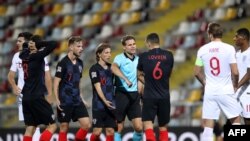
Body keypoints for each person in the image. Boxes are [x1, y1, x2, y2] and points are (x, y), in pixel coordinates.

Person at [194, 22, 242, 141]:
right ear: (221, 33)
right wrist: (235, 85)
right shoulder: (229, 49)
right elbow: (235, 72)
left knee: (209, 123)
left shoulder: (202, 50)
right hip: (226, 90)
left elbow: (196, 72)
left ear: (210, 34)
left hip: (210, 91)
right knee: (236, 120)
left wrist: (205, 83)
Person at [7, 32, 53, 141]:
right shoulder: (19, 56)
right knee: (38, 125)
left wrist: (50, 94)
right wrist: (14, 86)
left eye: (20, 41)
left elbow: (47, 76)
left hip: (28, 94)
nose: (17, 43)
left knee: (32, 126)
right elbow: (10, 75)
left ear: (27, 43)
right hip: (29, 94)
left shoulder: (22, 55)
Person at [19, 35, 57, 141]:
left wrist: (29, 44)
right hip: (36, 96)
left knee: (30, 128)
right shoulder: (38, 56)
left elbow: (25, 45)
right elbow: (54, 43)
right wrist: (39, 44)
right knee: (52, 126)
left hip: (25, 97)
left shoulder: (24, 55)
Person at [137, 33, 174, 141]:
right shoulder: (169, 55)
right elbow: (169, 74)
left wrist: (147, 81)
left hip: (149, 96)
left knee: (148, 125)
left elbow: (138, 74)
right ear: (158, 42)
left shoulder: (143, 56)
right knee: (163, 127)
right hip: (164, 96)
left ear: (149, 43)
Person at [53, 36, 91, 141]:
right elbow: (56, 82)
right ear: (70, 47)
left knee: (86, 125)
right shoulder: (63, 63)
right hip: (65, 99)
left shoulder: (80, 63)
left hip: (77, 100)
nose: (81, 48)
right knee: (64, 127)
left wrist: (82, 98)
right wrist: (57, 99)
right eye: (78, 46)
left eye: (82, 46)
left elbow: (78, 82)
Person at [111, 35, 143, 141]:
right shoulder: (119, 58)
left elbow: (140, 75)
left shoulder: (139, 59)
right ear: (124, 47)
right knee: (119, 127)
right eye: (130, 45)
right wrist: (125, 79)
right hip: (121, 94)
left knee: (139, 127)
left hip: (134, 96)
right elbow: (113, 67)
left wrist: (141, 84)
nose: (133, 46)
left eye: (134, 44)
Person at [89, 43, 116, 141]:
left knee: (111, 131)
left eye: (110, 52)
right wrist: (104, 100)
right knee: (97, 132)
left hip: (111, 104)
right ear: (99, 54)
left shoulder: (112, 68)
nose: (109, 55)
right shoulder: (94, 69)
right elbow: (97, 86)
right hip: (99, 104)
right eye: (106, 53)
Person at [234, 28, 250, 125]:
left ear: (244, 38)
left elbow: (249, 74)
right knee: (234, 122)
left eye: (236, 36)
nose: (234, 38)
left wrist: (236, 86)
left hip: (247, 93)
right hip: (237, 93)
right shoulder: (236, 54)